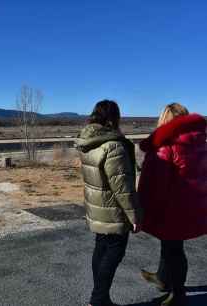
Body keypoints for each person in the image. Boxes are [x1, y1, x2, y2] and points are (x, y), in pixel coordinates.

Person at [138, 103, 207, 306]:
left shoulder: (165, 146)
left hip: (172, 208)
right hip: (193, 205)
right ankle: (162, 278)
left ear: (165, 121)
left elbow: (156, 185)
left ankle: (178, 293)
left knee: (174, 249)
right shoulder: (200, 142)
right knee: (170, 245)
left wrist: (146, 208)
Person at [76, 100, 142, 306]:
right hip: (113, 210)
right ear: (114, 117)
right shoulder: (113, 146)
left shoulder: (88, 141)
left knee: (101, 249)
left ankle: (101, 298)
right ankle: (98, 300)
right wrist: (134, 216)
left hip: (97, 206)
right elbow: (121, 187)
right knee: (114, 253)